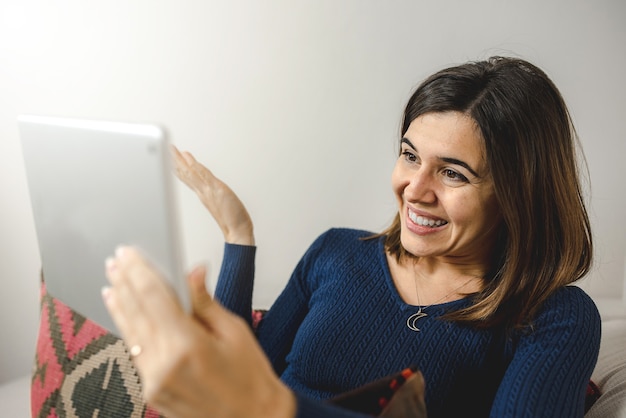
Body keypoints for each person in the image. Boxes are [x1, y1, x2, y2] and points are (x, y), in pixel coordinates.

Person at [103, 56, 601, 418]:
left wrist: (274, 407)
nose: (415, 189)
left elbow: (250, 399)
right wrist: (238, 236)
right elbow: (235, 376)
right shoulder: (336, 253)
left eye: (453, 174)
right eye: (409, 156)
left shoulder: (551, 318)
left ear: (519, 195)